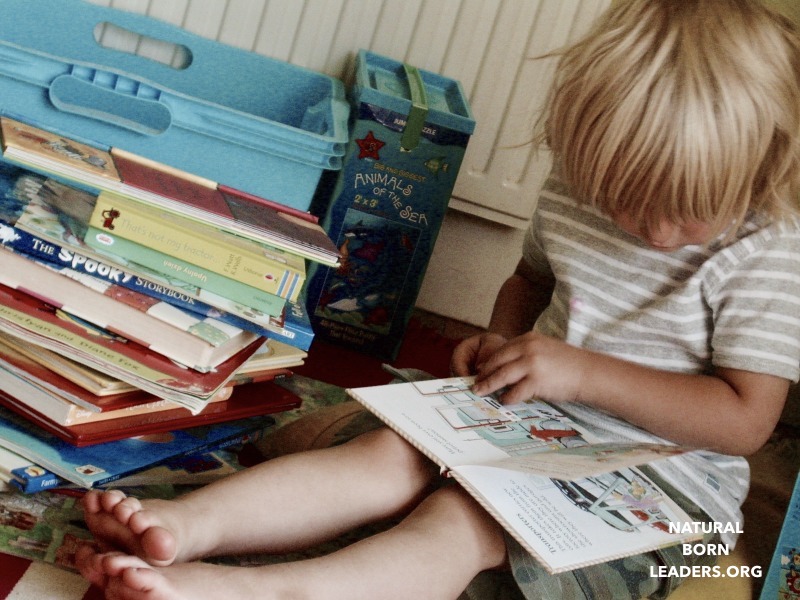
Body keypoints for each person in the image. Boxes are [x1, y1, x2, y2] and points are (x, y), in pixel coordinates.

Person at [76, 1, 800, 598]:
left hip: (662, 485)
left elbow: (743, 422)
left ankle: (258, 592)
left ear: (763, 165)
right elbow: (533, 284)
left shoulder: (766, 250)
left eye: (687, 211)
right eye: (625, 200)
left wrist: (581, 374)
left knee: (463, 518)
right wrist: (504, 343)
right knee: (389, 456)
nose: (652, 229)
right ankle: (186, 528)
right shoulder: (581, 191)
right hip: (534, 422)